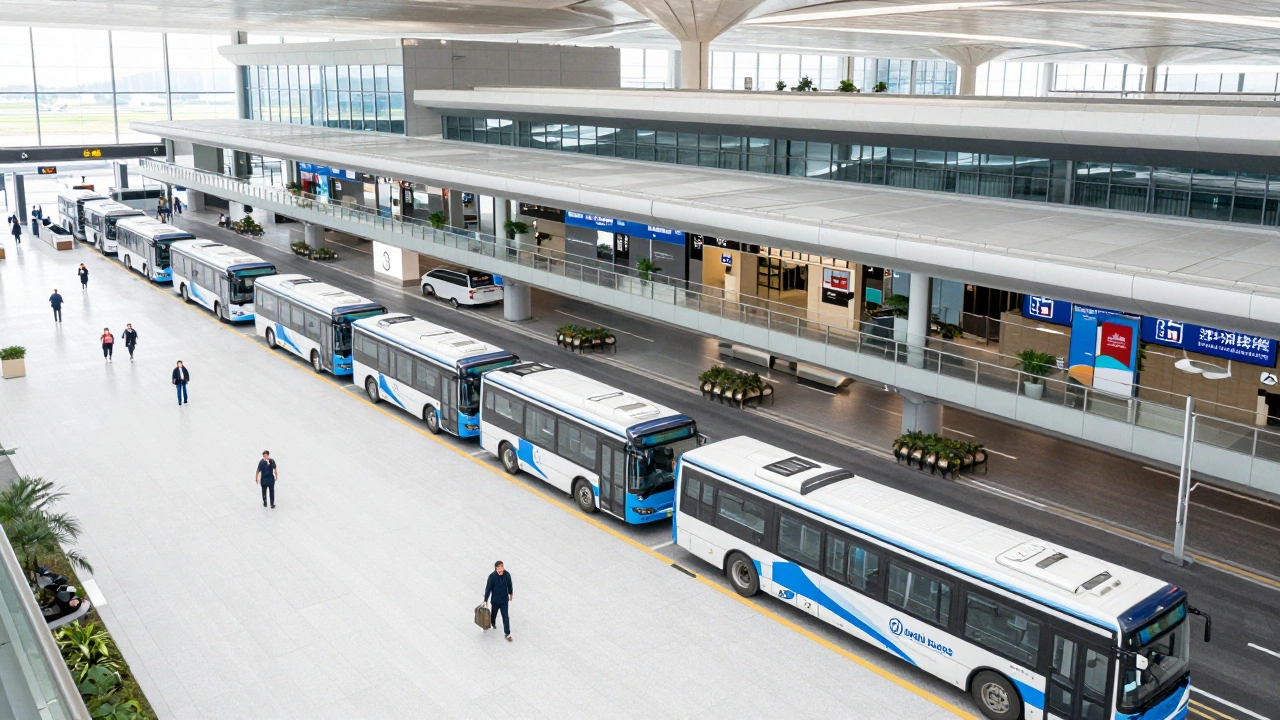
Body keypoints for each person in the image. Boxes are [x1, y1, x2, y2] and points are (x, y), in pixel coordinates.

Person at [483, 561, 514, 642]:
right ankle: (492, 622)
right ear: (496, 568)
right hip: (495, 601)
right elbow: (488, 589)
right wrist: (485, 600)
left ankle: (507, 633)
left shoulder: (507, 575)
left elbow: (509, 584)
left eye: (502, 569)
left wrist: (510, 593)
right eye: (499, 570)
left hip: (504, 600)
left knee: (505, 617)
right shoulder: (492, 577)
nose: (501, 572)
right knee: (493, 614)